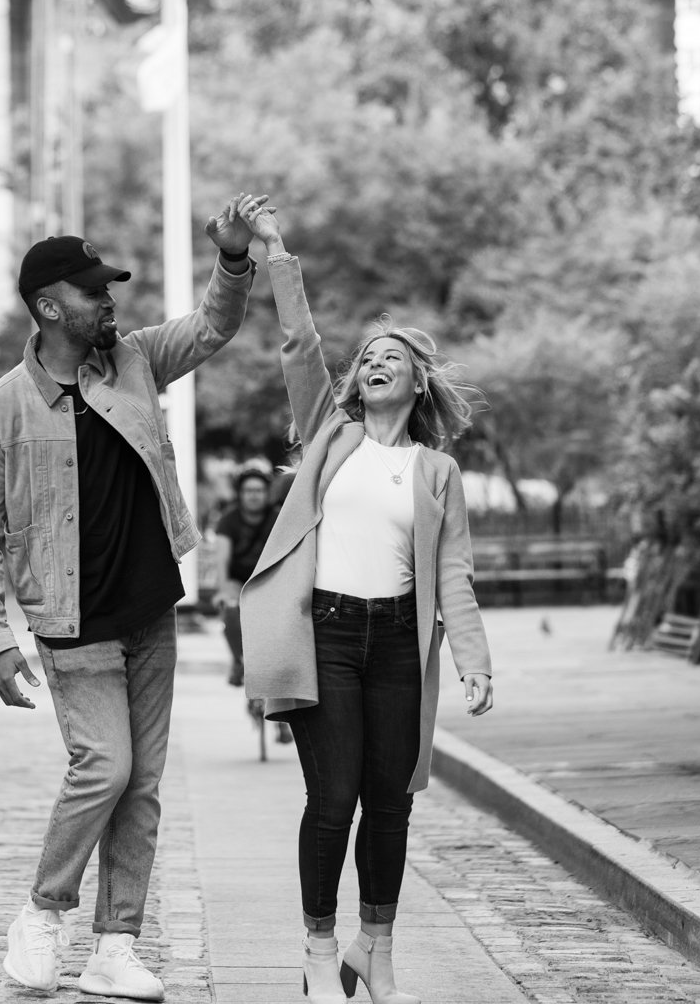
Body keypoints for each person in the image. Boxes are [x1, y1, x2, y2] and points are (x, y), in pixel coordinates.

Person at [0, 198, 266, 1001]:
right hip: (71, 620)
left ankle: (114, 945)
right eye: (93, 293)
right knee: (104, 768)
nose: (109, 302)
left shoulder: (130, 360)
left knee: (142, 785)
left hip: (147, 612)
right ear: (50, 307)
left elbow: (209, 327)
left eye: (109, 291)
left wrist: (232, 259)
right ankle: (41, 911)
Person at [240, 208, 492, 1003]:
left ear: (417, 381)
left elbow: (453, 572)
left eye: (393, 358)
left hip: (394, 645)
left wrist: (472, 662)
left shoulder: (434, 472)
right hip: (327, 633)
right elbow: (299, 347)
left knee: (391, 804)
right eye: (369, 357)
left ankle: (373, 950)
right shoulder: (327, 431)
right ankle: (318, 950)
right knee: (333, 798)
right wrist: (278, 259)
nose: (375, 363)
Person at [212, 463, 289, 746]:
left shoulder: (278, 517)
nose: (254, 496)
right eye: (248, 491)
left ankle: (283, 714)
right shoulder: (229, 520)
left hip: (269, 581)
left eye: (259, 491)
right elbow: (221, 560)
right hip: (238, 582)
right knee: (230, 608)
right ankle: (239, 662)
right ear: (240, 494)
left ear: (266, 493)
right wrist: (222, 590)